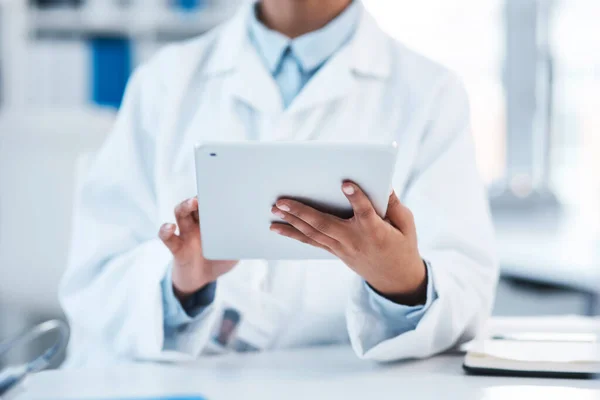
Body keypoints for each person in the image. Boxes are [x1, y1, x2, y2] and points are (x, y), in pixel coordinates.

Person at [59, 0, 498, 366]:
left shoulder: (431, 93)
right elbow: (96, 278)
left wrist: (402, 283)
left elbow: (466, 291)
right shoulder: (161, 83)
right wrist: (181, 288)